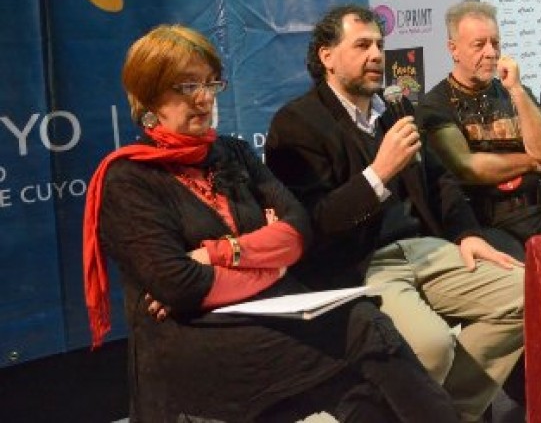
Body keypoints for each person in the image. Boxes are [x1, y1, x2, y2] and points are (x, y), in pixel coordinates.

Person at [83, 25, 456, 423]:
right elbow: (180, 285)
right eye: (186, 85)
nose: (204, 98)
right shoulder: (127, 179)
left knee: (369, 343)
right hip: (193, 335)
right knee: (366, 332)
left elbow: (298, 231)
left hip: (267, 309)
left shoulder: (233, 153)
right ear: (148, 97)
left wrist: (220, 253)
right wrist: (271, 263)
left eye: (211, 84)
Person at [265, 5, 523, 423]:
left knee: (528, 293)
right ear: (326, 56)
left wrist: (467, 234)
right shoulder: (296, 124)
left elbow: (442, 183)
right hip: (363, 262)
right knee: (432, 345)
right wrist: (377, 174)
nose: (376, 55)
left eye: (380, 45)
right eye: (362, 45)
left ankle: (444, 413)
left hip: (426, 248)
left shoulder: (396, 110)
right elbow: (313, 223)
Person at [416, 0, 541, 260]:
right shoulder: (434, 104)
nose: (491, 52)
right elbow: (468, 167)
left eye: (495, 43)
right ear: (453, 49)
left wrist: (516, 90)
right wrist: (530, 161)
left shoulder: (515, 92)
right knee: (526, 277)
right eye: (479, 44)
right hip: (485, 224)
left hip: (537, 213)